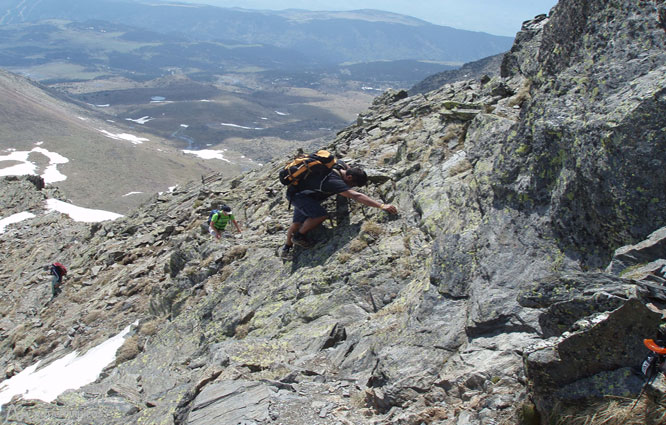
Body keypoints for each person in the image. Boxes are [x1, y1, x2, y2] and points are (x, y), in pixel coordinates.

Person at [281, 163, 398, 259]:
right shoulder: (333, 182)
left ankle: (286, 248)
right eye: (352, 184)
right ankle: (298, 237)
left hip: (300, 192)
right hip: (299, 197)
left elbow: (348, 167)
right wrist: (381, 206)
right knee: (319, 216)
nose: (350, 187)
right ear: (349, 177)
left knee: (297, 223)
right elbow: (356, 196)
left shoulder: (339, 165)